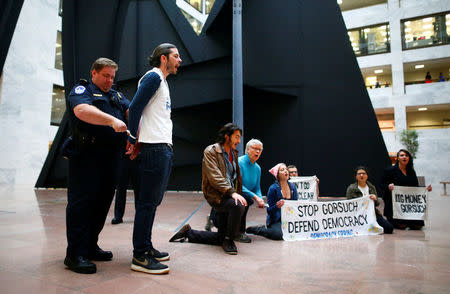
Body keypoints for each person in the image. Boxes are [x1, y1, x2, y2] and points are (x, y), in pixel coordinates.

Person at [63, 58, 129, 274]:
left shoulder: (116, 95)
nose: (110, 80)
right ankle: (75, 254)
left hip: (111, 158)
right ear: (94, 73)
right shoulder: (83, 90)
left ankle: (90, 246)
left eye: (112, 76)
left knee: (101, 204)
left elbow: (132, 111)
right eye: (106, 75)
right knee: (81, 205)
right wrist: (111, 120)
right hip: (86, 158)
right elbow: (81, 111)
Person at [126, 43, 182, 274]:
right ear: (163, 58)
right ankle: (139, 255)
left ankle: (146, 247)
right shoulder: (153, 77)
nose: (179, 60)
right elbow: (134, 107)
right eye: (175, 56)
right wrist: (131, 138)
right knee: (147, 203)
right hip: (155, 149)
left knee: (151, 203)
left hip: (160, 148)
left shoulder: (162, 81)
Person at [169, 123, 247, 255]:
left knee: (219, 238)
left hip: (228, 194)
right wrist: (233, 193)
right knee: (238, 205)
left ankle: (189, 233)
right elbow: (214, 177)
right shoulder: (211, 151)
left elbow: (235, 177)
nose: (239, 141)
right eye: (237, 137)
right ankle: (229, 240)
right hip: (217, 196)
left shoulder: (233, 153)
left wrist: (237, 192)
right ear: (227, 136)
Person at [382, 149, 432, 230]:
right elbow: (381, 184)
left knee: (418, 226)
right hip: (394, 204)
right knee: (401, 225)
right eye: (402, 155)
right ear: (397, 158)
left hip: (407, 204)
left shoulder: (411, 171)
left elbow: (415, 188)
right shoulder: (389, 171)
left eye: (406, 155)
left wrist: (425, 189)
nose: (404, 157)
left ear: (409, 158)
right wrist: (388, 186)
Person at [246, 163, 298, 240]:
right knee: (278, 235)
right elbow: (269, 210)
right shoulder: (273, 188)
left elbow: (296, 204)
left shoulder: (293, 187)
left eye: (286, 169)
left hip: (289, 219)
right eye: (282, 170)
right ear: (277, 175)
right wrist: (277, 206)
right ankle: (260, 230)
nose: (286, 171)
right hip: (276, 220)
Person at [346, 166, 393, 234]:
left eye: (363, 173)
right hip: (358, 215)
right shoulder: (351, 189)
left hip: (372, 213)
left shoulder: (371, 187)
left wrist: (375, 199)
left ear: (367, 176)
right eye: (359, 174)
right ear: (356, 176)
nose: (361, 175)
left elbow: (377, 204)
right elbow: (349, 205)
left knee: (389, 228)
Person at [111, 154, 139, 225]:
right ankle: (118, 216)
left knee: (138, 189)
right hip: (123, 156)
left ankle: (139, 215)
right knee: (120, 188)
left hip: (137, 157)